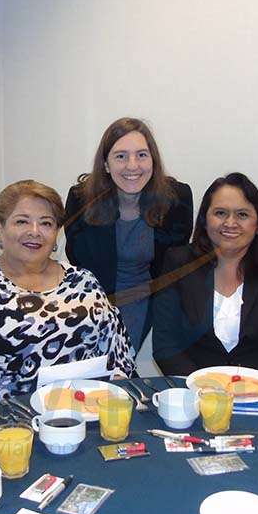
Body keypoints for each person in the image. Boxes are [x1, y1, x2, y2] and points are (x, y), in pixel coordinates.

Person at [0, 180, 135, 409]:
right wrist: (9, 423)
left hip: (86, 418)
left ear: (57, 232)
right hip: (5, 429)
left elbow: (119, 357)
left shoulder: (84, 281)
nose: (34, 232)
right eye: (21, 221)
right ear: (0, 227)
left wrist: (105, 409)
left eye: (46, 223)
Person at [152, 172, 258, 376]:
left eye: (242, 214)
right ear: (204, 220)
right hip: (194, 394)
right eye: (220, 213)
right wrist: (202, 388)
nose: (230, 223)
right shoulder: (177, 262)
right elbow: (166, 345)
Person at [64, 117, 193, 351]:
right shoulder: (80, 199)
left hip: (143, 301)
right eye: (121, 156)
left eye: (141, 155)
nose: (132, 166)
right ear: (105, 164)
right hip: (93, 299)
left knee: (119, 369)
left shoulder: (177, 199)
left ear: (152, 160)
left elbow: (175, 262)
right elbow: (78, 260)